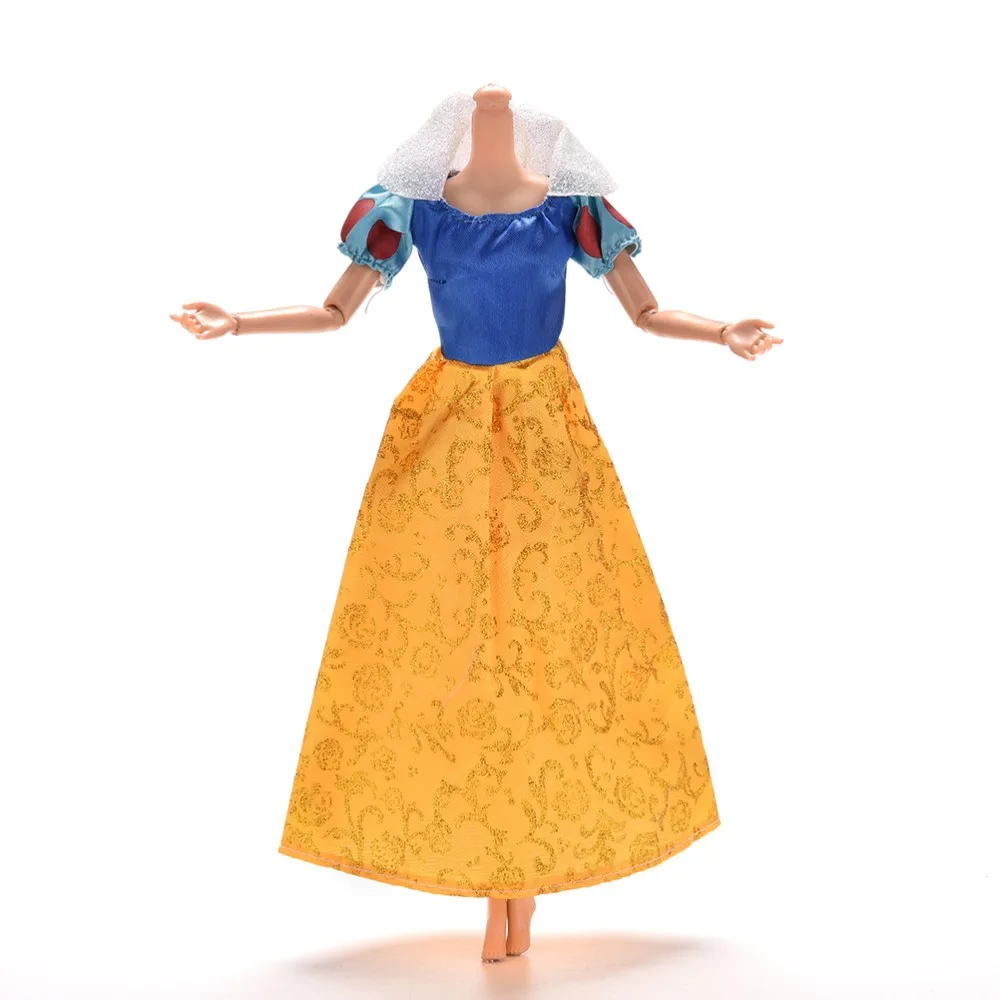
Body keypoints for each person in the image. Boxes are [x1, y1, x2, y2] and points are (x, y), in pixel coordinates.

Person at [172, 83, 780, 964]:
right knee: (448, 635)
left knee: (546, 637)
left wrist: (724, 331)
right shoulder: (413, 212)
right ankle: (490, 868)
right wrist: (237, 323)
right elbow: (335, 310)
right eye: (480, 116)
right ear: (458, 132)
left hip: (546, 432)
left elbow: (646, 310)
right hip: (447, 431)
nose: (493, 124)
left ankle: (522, 881)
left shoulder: (569, 211)